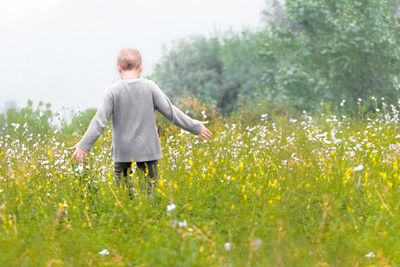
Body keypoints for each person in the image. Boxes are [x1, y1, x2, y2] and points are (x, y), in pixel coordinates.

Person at [70, 48, 212, 198]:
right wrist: (195, 127)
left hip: (123, 152)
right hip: (148, 150)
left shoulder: (112, 90)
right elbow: (171, 113)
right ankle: (149, 216)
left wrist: (83, 146)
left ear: (118, 68)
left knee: (124, 193)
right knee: (150, 193)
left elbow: (99, 121)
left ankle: (130, 213)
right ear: (141, 67)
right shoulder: (150, 87)